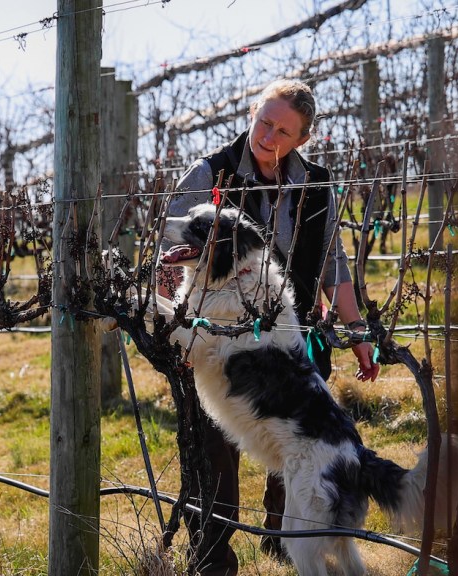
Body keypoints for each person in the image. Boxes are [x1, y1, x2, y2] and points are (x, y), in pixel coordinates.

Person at [165, 79, 379, 575]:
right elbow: (170, 252)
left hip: (291, 339)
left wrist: (359, 332)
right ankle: (214, 559)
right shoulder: (208, 172)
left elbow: (332, 262)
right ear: (252, 113)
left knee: (297, 449)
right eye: (264, 120)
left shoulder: (317, 182)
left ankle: (287, 544)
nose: (268, 135)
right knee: (216, 451)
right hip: (220, 341)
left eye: (283, 130)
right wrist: (175, 330)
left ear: (301, 140)